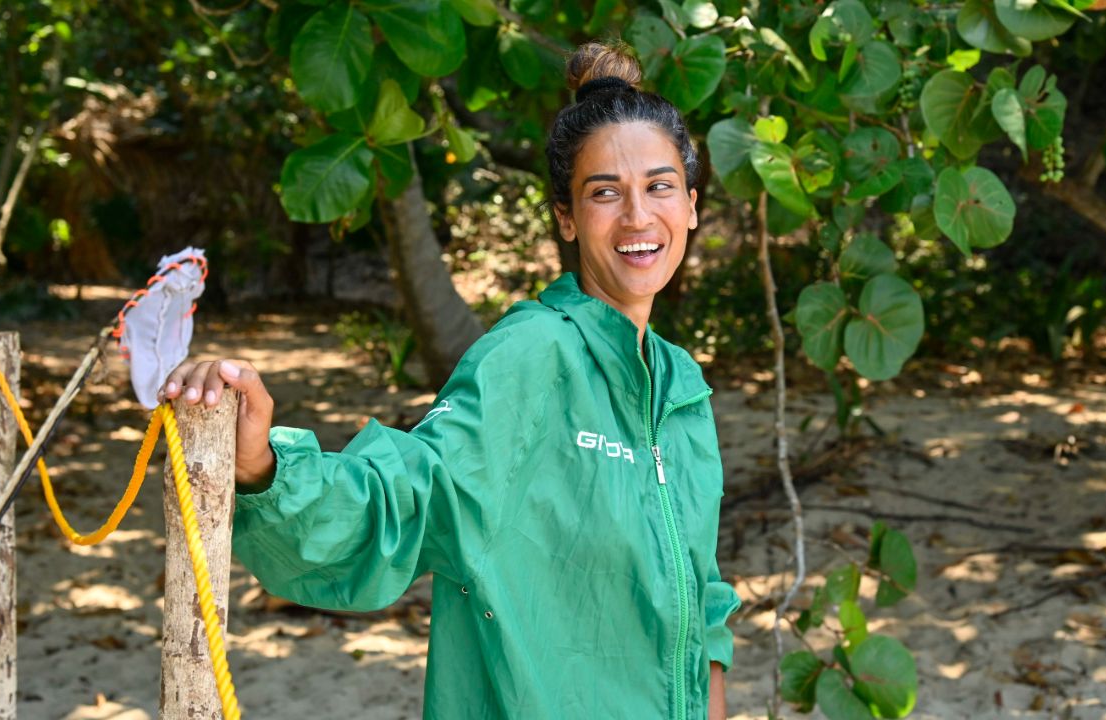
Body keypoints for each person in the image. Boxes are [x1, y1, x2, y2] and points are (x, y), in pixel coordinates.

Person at [161, 42, 741, 720]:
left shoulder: (681, 388)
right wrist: (264, 467)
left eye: (659, 186)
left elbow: (699, 595)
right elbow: (405, 495)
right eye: (604, 193)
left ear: (692, 205)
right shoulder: (530, 356)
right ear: (565, 217)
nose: (638, 217)